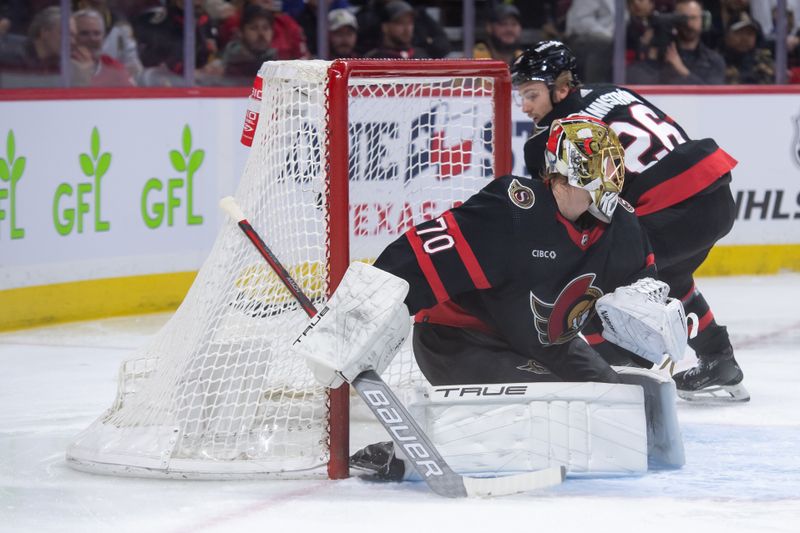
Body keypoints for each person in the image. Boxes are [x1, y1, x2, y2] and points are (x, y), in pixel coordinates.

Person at [292, 117, 689, 478]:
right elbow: (417, 255)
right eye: (598, 176)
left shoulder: (622, 226)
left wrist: (651, 322)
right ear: (562, 177)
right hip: (460, 340)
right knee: (545, 414)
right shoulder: (513, 211)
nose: (609, 186)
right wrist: (352, 323)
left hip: (549, 345)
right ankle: (399, 454)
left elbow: (642, 294)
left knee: (609, 404)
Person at [512, 40, 748, 402]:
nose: (525, 106)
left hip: (673, 209)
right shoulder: (614, 91)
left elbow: (570, 211)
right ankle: (719, 359)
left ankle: (616, 379)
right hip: (716, 195)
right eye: (521, 96)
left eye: (531, 94)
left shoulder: (548, 139)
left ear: (560, 88)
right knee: (669, 276)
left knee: (591, 282)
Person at [627, 0, 726, 84]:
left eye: (694, 17)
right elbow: (633, 79)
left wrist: (683, 71)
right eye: (683, 18)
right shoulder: (661, 55)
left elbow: (712, 97)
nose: (689, 23)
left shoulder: (713, 61)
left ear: (702, 20)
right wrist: (650, 58)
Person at [70, 8, 135, 87]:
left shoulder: (113, 68)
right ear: (72, 36)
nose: (92, 38)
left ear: (103, 37)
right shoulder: (62, 66)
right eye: (84, 33)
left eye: (97, 33)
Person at [364, 0, 428, 59]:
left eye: (410, 23)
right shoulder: (374, 58)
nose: (407, 28)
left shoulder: (421, 56)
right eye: (400, 23)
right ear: (385, 27)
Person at [722, 16, 775, 83]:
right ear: (727, 36)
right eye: (739, 32)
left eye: (749, 33)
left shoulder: (764, 61)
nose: (744, 38)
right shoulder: (716, 62)